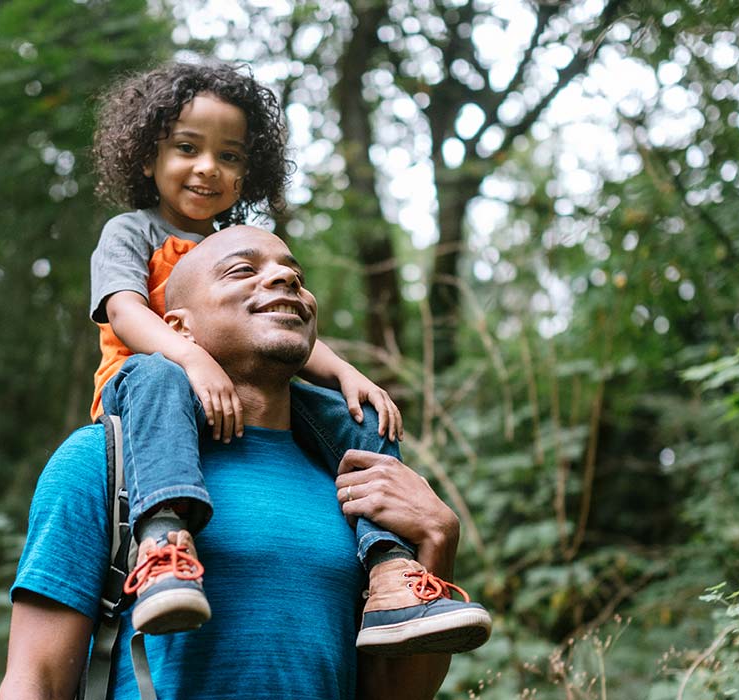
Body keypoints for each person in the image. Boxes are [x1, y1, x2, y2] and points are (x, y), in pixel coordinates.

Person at [84, 60, 490, 653]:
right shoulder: (132, 232)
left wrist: (348, 375)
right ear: (148, 158)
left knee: (359, 416)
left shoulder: (241, 240)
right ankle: (164, 542)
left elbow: (281, 331)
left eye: (230, 156)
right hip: (149, 391)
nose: (208, 168)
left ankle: (390, 573)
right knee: (155, 374)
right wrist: (191, 358)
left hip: (241, 394)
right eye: (187, 148)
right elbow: (125, 312)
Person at [0, 227, 482, 699]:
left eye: (294, 274)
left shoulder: (359, 480)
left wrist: (437, 541)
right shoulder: (102, 462)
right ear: (179, 328)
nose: (285, 280)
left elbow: (395, 694)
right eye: (242, 270)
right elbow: (36, 679)